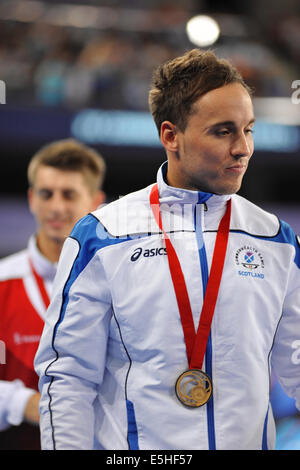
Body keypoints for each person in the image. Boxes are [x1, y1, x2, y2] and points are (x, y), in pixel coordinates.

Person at [34, 49, 300, 450]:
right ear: (170, 136)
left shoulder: (274, 238)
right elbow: (67, 377)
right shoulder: (104, 236)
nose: (243, 147)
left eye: (249, 129)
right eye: (223, 131)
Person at [0, 138, 106, 449]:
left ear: (95, 201)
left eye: (69, 195)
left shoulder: (120, 284)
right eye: (47, 194)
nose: (56, 207)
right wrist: (23, 403)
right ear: (32, 198)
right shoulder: (2, 282)